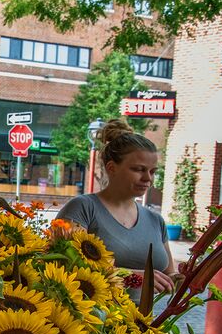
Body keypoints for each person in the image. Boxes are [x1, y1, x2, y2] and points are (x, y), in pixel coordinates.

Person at [57, 118, 176, 293]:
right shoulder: (82, 209)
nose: (148, 179)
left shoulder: (155, 220)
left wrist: (182, 278)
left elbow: (169, 275)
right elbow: (65, 265)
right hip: (90, 318)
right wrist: (132, 277)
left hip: (142, 319)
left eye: (152, 172)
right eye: (138, 169)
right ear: (111, 167)